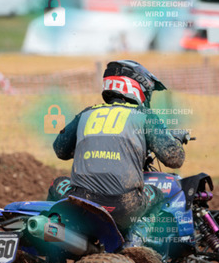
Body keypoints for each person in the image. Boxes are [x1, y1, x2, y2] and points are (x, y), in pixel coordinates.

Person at [47, 60, 187, 233]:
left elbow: (60, 149)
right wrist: (175, 140)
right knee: (159, 193)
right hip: (125, 205)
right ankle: (136, 240)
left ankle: (52, 237)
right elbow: (174, 159)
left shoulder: (86, 113)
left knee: (57, 183)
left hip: (80, 201)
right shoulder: (144, 115)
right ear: (136, 88)